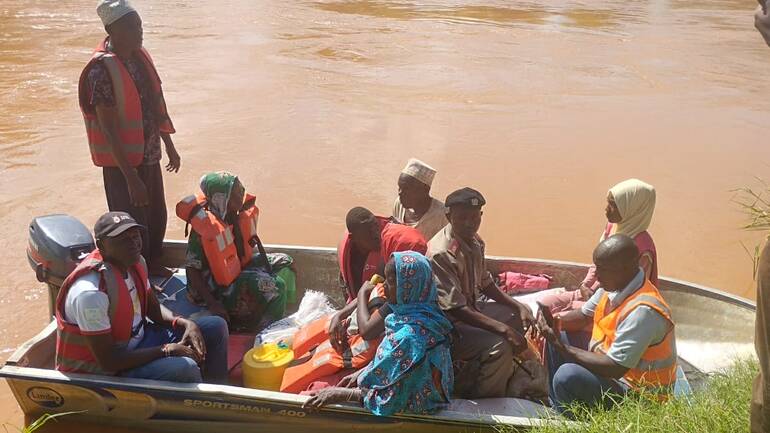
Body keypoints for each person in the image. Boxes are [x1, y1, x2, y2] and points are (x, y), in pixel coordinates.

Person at [54, 212, 228, 383]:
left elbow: (153, 308)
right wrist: (166, 350)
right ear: (102, 245)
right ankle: (197, 406)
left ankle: (218, 390)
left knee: (216, 326)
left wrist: (186, 323)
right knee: (185, 367)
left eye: (135, 235)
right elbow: (109, 361)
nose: (134, 243)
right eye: (123, 239)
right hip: (112, 369)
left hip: (142, 340)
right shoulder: (91, 293)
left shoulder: (135, 263)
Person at [78, 0, 180, 276]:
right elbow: (108, 129)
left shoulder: (138, 58)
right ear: (112, 30)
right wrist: (131, 179)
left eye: (140, 25)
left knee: (157, 214)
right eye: (132, 27)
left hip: (149, 155)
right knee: (131, 225)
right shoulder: (101, 71)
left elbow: (153, 106)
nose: (139, 32)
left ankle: (154, 263)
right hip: (122, 165)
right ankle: (138, 276)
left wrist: (169, 145)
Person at [537, 234, 677, 416]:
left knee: (567, 374)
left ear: (625, 269)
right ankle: (558, 405)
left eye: (602, 269)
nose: (597, 276)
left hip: (640, 398)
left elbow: (615, 367)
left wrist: (563, 348)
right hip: (616, 376)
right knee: (559, 333)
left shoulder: (644, 312)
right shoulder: (612, 286)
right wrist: (554, 321)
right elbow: (583, 316)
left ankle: (570, 420)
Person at [303, 251, 454, 416]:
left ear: (408, 286)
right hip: (416, 389)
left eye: (390, 281)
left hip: (414, 404)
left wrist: (340, 394)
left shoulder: (409, 337)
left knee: (313, 391)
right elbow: (396, 364)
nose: (383, 286)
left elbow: (390, 401)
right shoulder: (427, 313)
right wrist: (363, 371)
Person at [428, 187, 536, 399]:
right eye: (462, 218)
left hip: (471, 309)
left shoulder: (475, 241)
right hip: (447, 328)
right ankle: (488, 399)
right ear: (449, 216)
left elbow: (485, 283)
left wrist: (517, 305)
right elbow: (456, 309)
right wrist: (504, 330)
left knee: (517, 315)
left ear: (481, 216)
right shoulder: (441, 253)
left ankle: (491, 370)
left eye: (475, 217)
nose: (470, 223)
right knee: (500, 346)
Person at [177, 172, 291, 332]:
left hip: (235, 270)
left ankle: (283, 311)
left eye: (241, 190)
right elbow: (192, 270)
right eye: (235, 193)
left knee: (286, 261)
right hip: (214, 289)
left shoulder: (233, 216)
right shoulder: (204, 229)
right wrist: (212, 303)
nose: (241, 195)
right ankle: (268, 330)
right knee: (276, 285)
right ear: (221, 198)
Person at [539, 179, 658, 324]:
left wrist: (585, 304)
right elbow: (597, 264)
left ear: (633, 209)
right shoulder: (613, 226)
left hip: (615, 309)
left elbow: (629, 294)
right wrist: (584, 286)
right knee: (545, 304)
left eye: (614, 205)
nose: (607, 209)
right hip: (592, 292)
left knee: (558, 318)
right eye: (608, 203)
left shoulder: (643, 249)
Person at [392, 158, 447, 241]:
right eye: (399, 187)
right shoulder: (399, 204)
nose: (400, 193)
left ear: (425, 190)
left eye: (406, 189)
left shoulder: (442, 215)